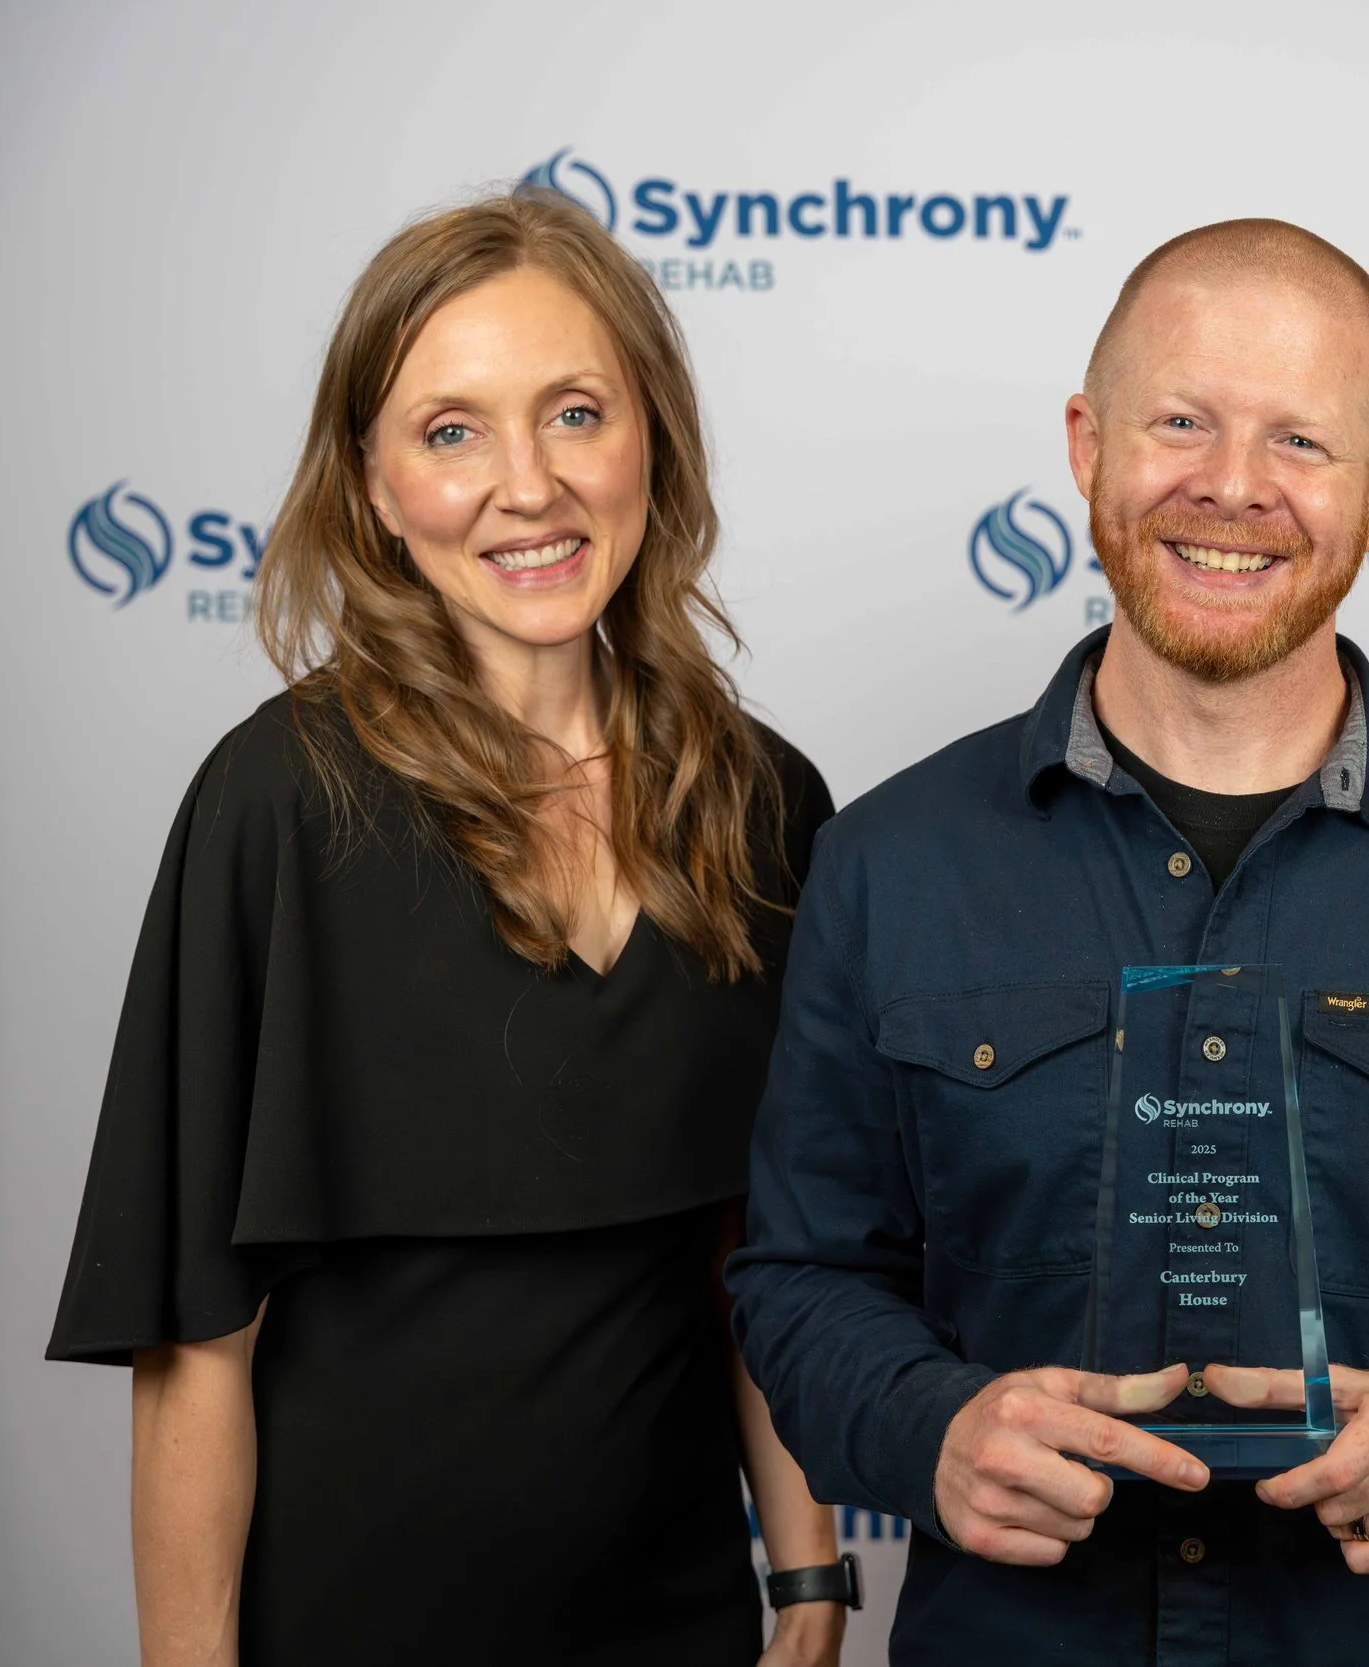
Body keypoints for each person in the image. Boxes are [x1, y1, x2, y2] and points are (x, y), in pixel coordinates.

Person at [728, 218, 1369, 1665]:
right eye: (1180, 421)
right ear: (1087, 445)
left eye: (1300, 440)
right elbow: (802, 1274)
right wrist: (927, 1427)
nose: (1233, 485)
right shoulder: (889, 862)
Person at [47, 190, 851, 1667]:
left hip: (676, 1628)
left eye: (575, 413)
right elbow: (197, 1343)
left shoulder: (764, 804)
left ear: (653, 439)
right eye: (452, 432)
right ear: (371, 483)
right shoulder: (278, 807)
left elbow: (761, 1255)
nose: (527, 487)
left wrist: (808, 1577)